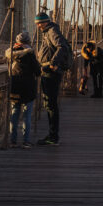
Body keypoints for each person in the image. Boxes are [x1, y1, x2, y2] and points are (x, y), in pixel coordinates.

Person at [34, 11, 70, 145]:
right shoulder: (48, 32)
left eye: (38, 23)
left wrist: (52, 64)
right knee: (50, 104)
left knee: (51, 104)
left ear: (44, 22)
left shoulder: (52, 31)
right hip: (49, 72)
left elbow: (63, 47)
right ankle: (52, 135)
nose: (37, 26)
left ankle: (53, 137)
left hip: (51, 73)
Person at [6, 31, 39, 147]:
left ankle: (13, 141)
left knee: (14, 114)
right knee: (27, 116)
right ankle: (26, 141)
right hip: (28, 88)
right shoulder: (30, 54)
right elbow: (38, 71)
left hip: (14, 87)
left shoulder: (10, 53)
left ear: (17, 42)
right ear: (28, 42)